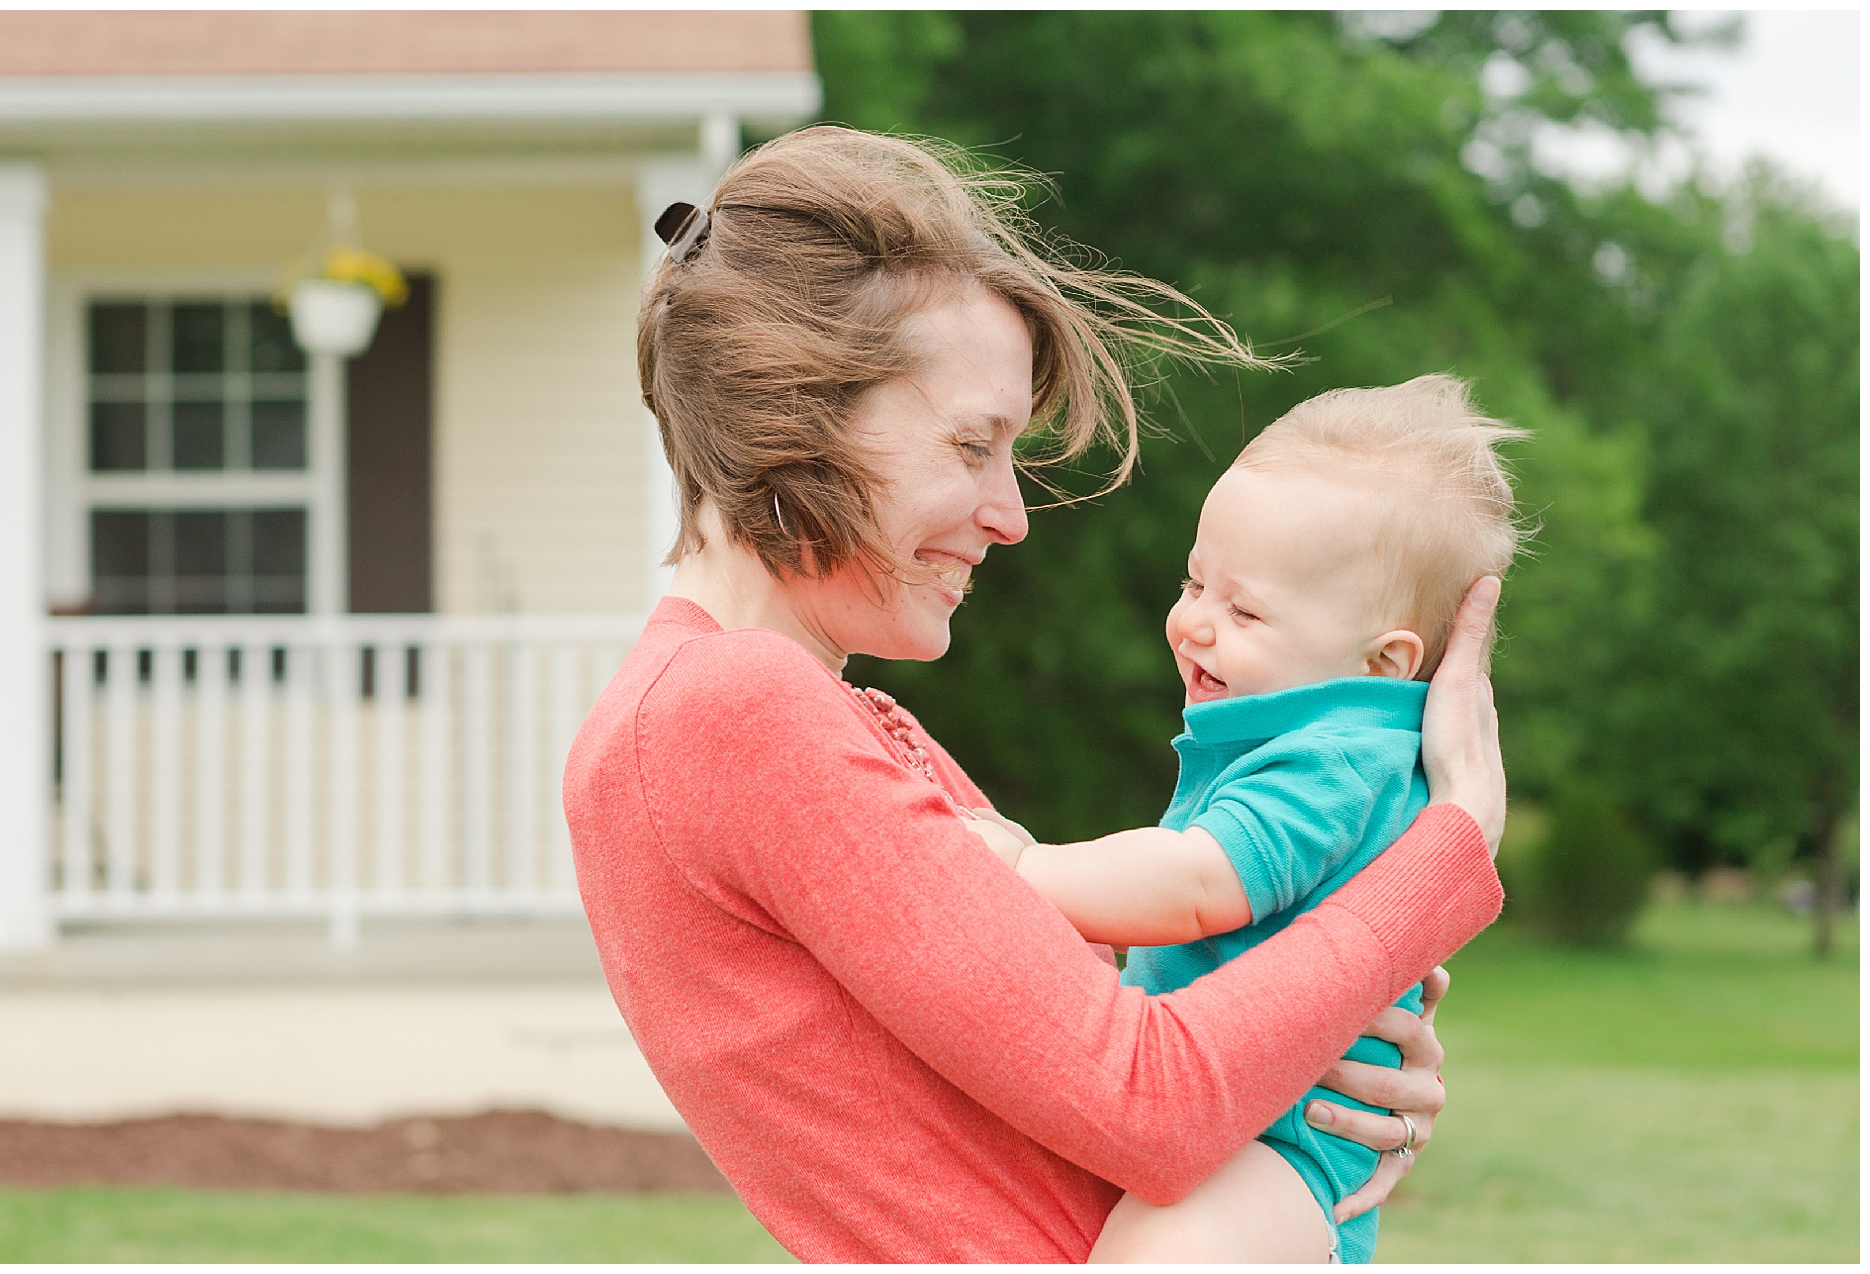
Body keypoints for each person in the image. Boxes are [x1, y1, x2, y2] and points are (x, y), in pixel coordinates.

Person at [563, 126, 1507, 1264]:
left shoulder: (795, 710)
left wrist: (1327, 1079)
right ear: (798, 409)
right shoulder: (732, 709)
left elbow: (1132, 1034)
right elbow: (1155, 1105)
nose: (1010, 515)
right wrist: (1449, 843)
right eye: (972, 444)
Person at [969, 375, 1527, 1262]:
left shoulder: (1333, 762)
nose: (1195, 624)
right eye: (1194, 583)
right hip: (1233, 1116)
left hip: (1276, 1154)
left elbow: (1196, 885)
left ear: (1386, 662)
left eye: (1245, 609)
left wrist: (1024, 871)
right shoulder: (1312, 745)